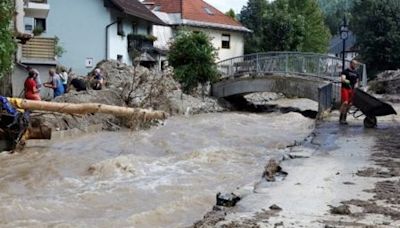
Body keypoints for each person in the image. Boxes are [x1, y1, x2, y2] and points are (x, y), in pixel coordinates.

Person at [339, 59, 360, 125]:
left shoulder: (356, 73)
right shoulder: (345, 71)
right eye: (354, 64)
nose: (355, 65)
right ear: (351, 64)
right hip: (345, 88)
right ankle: (341, 117)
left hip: (352, 89)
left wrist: (356, 86)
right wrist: (345, 80)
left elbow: (357, 81)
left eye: (356, 64)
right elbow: (342, 79)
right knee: (345, 103)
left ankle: (344, 117)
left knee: (349, 104)